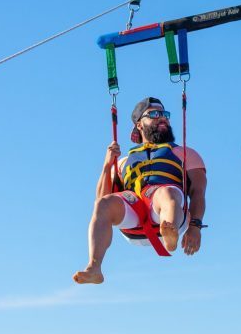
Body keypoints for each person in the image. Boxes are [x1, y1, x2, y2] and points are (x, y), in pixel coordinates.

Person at [73, 97, 207, 284]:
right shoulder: (122, 161)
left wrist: (195, 227)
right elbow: (102, 201)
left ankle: (170, 234)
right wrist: (106, 165)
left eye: (165, 114)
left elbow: (198, 192)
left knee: (166, 192)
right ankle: (94, 267)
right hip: (135, 213)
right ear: (139, 125)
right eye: (154, 114)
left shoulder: (185, 154)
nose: (163, 118)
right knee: (103, 204)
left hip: (168, 209)